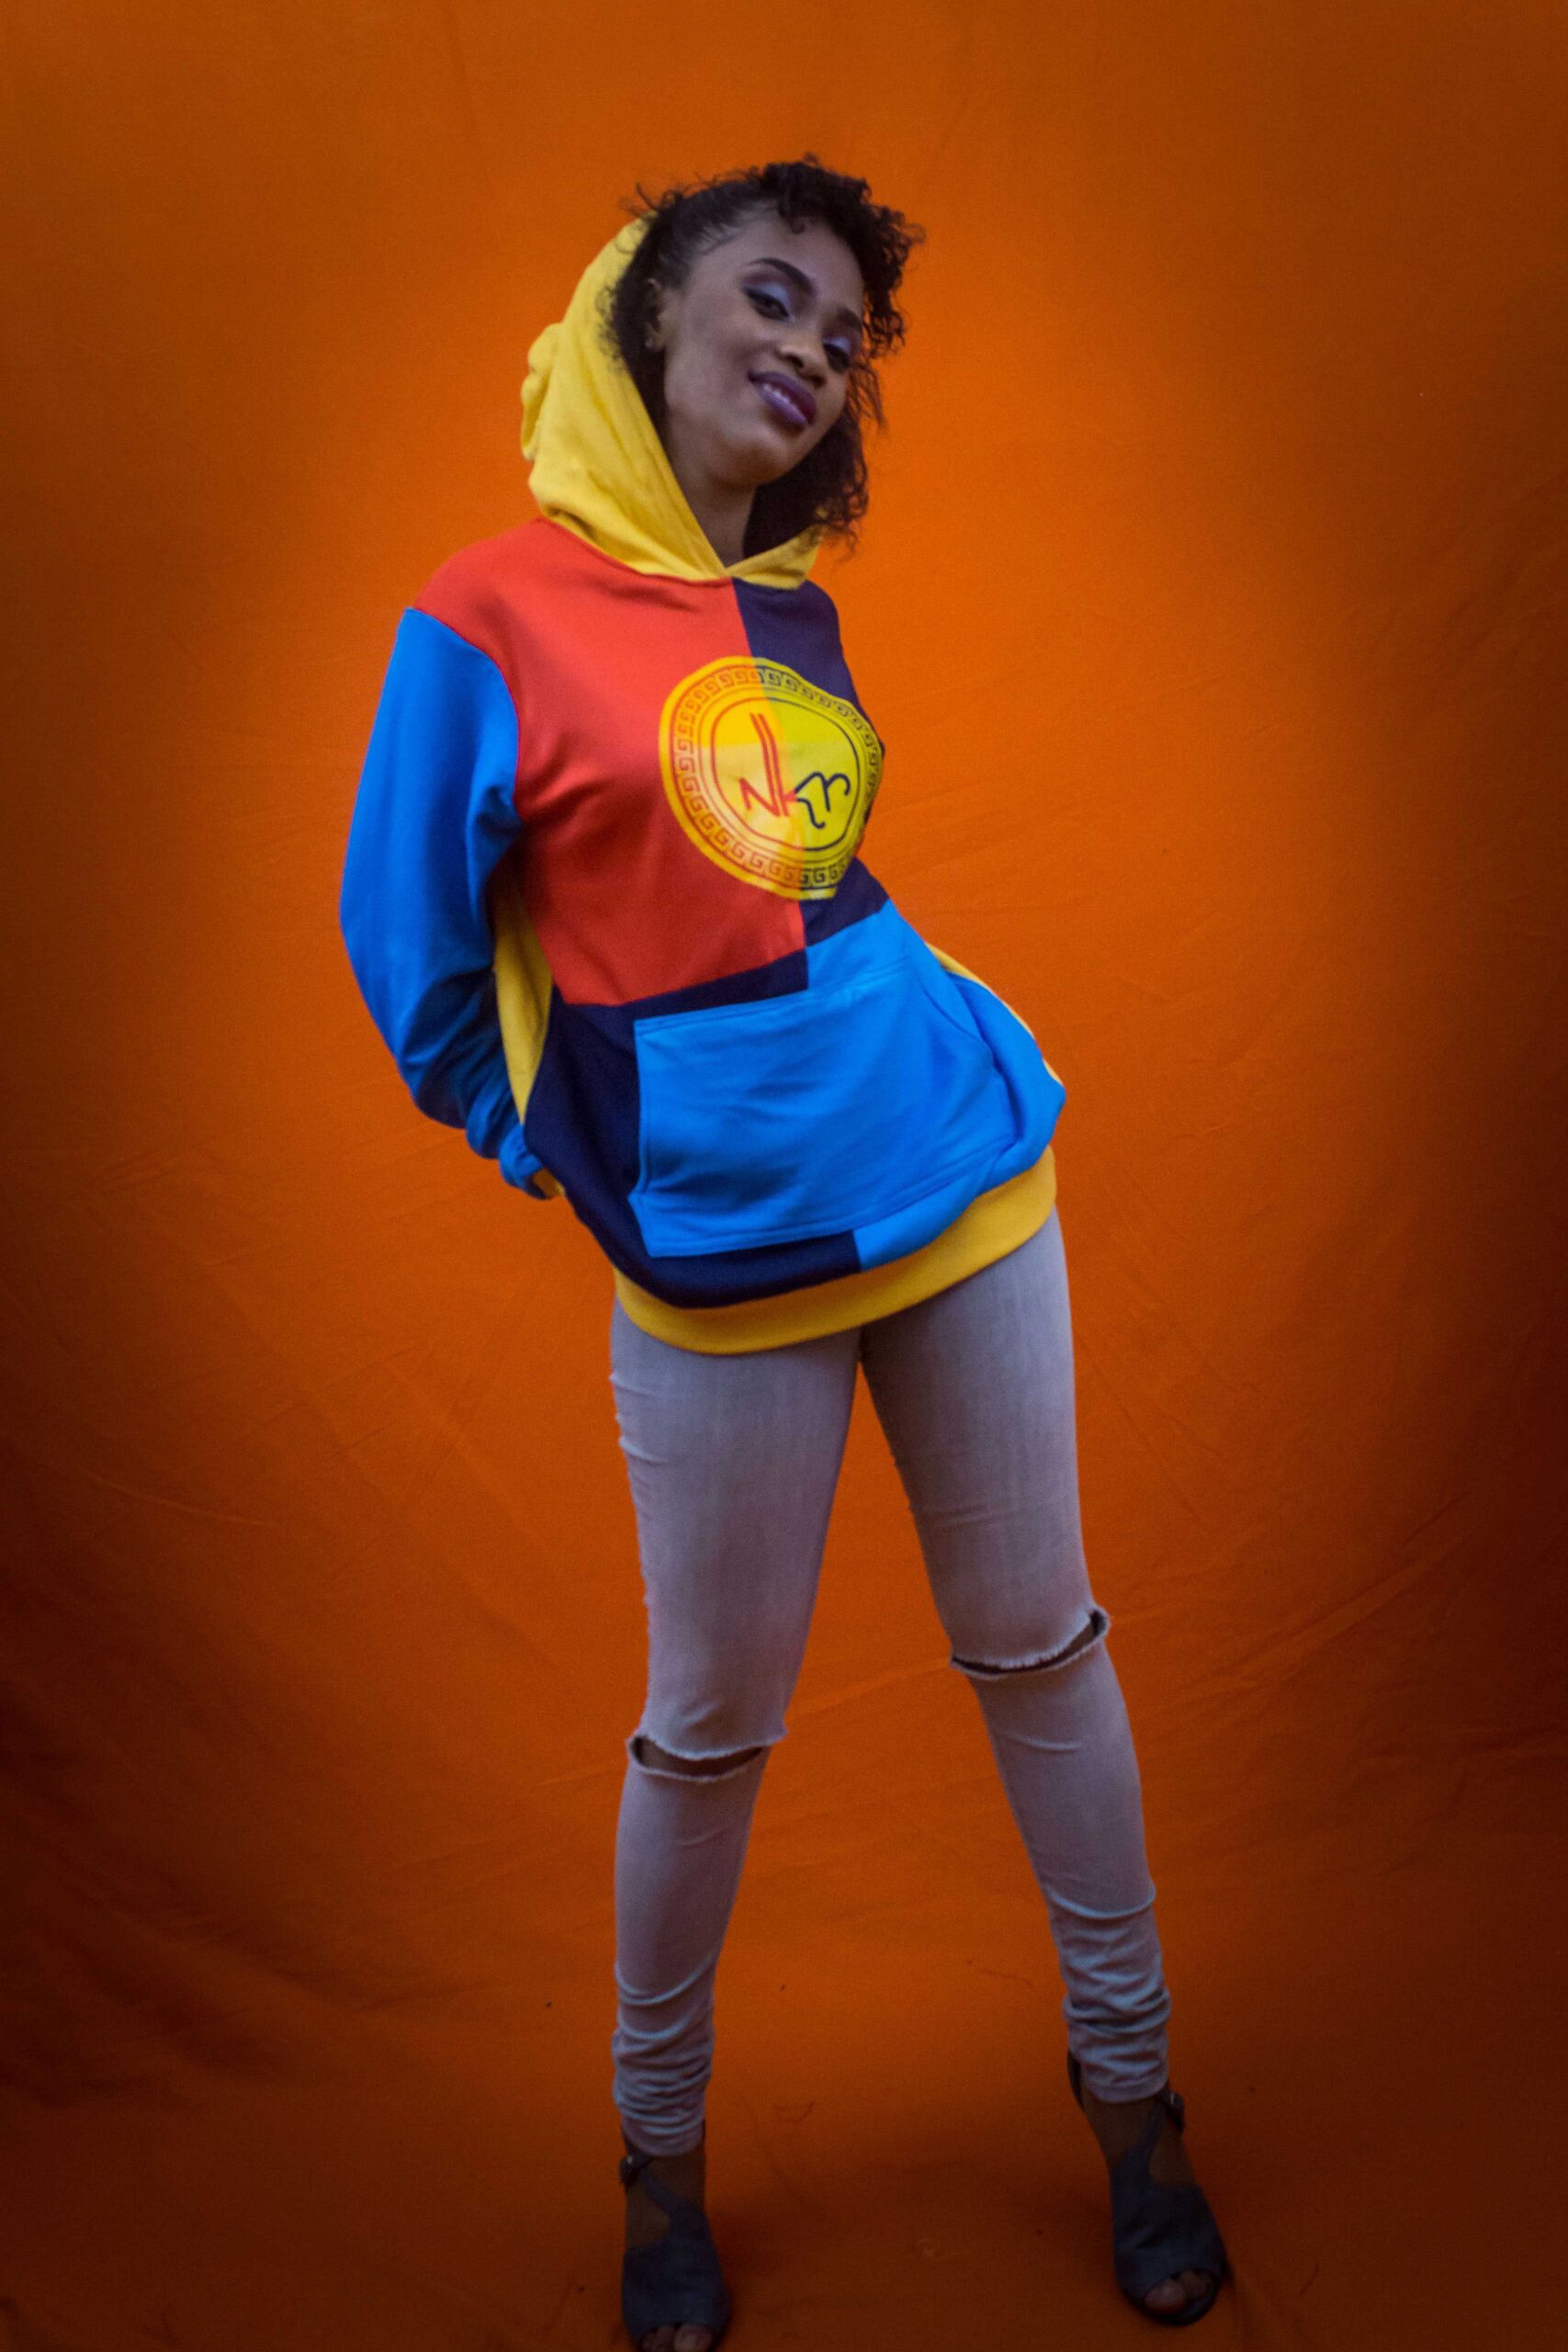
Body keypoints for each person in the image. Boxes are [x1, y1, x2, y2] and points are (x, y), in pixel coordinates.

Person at [339, 156, 1229, 2349]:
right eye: (771, 296)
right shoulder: (483, 613)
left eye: (843, 339)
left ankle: (1133, 2103)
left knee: (1040, 1648)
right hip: (721, 1264)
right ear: (642, 314)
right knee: (709, 1728)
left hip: (958, 1173)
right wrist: (564, 1143)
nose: (813, 354)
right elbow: (407, 949)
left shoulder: (787, 603)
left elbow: (794, 899)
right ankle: (658, 2166)